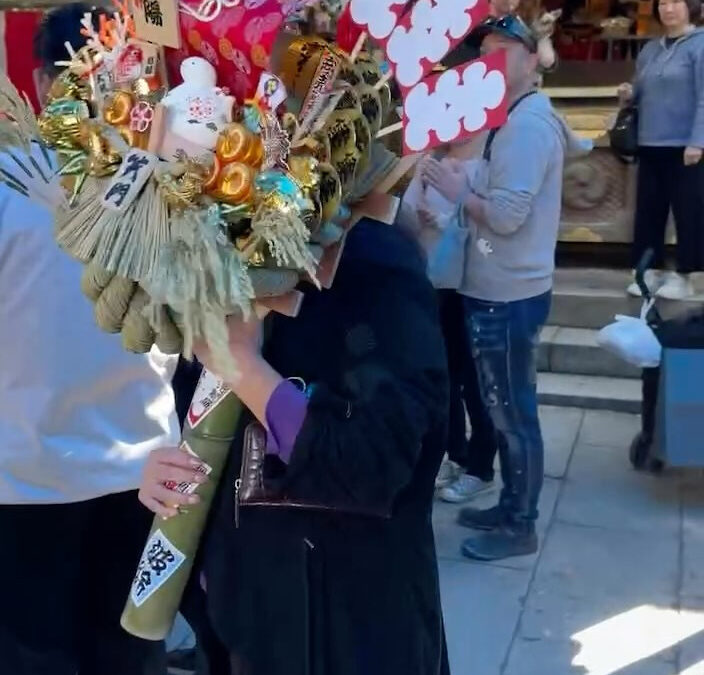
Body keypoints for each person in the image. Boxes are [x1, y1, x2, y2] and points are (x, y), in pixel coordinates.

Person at [138, 220, 450, 675]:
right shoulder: (217, 249)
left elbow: (372, 461)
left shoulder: (371, 263)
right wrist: (163, 466)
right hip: (247, 611)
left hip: (349, 619)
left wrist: (242, 365)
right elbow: (194, 410)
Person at [0, 5, 180, 675]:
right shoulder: (171, 190)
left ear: (41, 84)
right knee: (131, 655)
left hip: (20, 486)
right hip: (143, 481)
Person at [422, 15, 590, 561]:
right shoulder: (511, 116)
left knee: (513, 412)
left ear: (529, 58)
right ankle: (510, 505)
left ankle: (520, 523)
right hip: (498, 285)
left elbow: (508, 215)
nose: (487, 62)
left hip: (509, 292)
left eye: (501, 51)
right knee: (501, 407)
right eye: (483, 52)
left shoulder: (526, 125)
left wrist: (456, 188)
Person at [400, 146, 499, 504]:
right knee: (444, 376)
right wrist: (418, 212)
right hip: (435, 283)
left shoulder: (490, 156)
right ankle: (454, 455)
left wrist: (448, 220)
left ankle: (481, 467)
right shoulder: (430, 158)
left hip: (475, 285)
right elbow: (406, 213)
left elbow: (493, 229)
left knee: (476, 381)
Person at [619, 0, 704, 300]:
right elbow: (640, 91)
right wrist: (629, 93)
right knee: (649, 212)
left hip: (686, 145)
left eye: (675, 2)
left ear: (691, 6)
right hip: (650, 141)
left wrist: (698, 140)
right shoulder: (650, 49)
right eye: (663, 3)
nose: (668, 9)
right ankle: (648, 271)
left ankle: (687, 276)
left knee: (688, 212)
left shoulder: (699, 45)